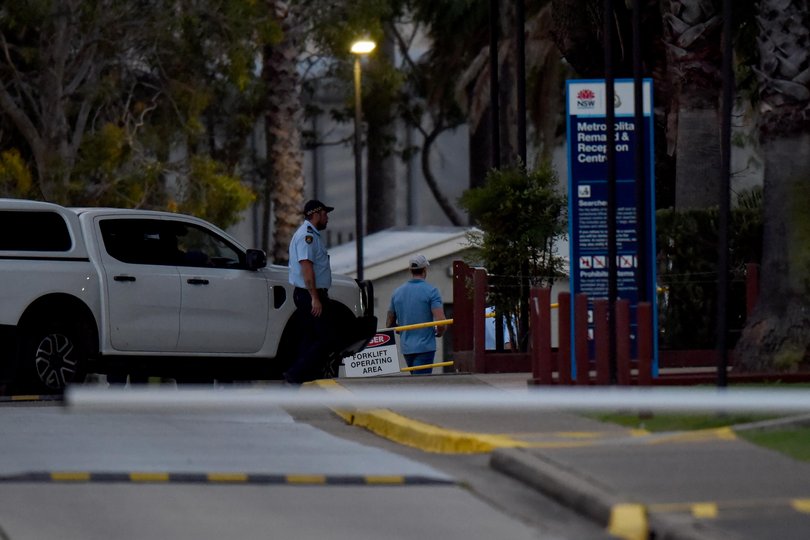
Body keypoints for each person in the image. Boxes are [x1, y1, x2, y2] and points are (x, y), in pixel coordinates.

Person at [285, 199, 337, 384]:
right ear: (315, 214)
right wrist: (315, 297)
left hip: (310, 293)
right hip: (309, 294)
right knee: (326, 337)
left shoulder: (311, 235)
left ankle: (303, 378)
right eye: (325, 214)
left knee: (310, 337)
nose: (327, 218)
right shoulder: (307, 236)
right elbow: (306, 269)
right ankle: (295, 373)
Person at [386, 254, 446, 375]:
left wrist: (399, 329)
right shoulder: (432, 291)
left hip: (406, 347)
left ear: (410, 270)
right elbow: (441, 320)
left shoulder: (397, 292)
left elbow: (389, 322)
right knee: (421, 385)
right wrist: (439, 332)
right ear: (425, 270)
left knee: (414, 379)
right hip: (426, 347)